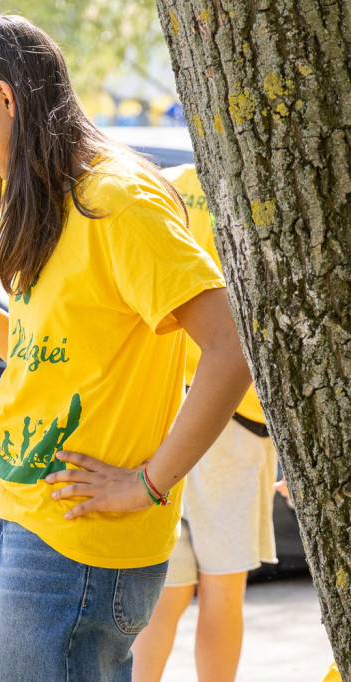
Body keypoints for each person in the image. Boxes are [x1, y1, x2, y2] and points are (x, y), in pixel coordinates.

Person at [0, 15, 253, 681]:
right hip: (15, 519)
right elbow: (49, 354)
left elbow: (230, 351)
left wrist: (150, 483)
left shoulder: (120, 201)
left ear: (7, 97)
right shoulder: (47, 200)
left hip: (78, 548)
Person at [131, 165, 278, 681]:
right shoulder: (258, 185)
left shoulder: (163, 184)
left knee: (165, 591)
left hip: (169, 410)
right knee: (222, 591)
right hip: (233, 415)